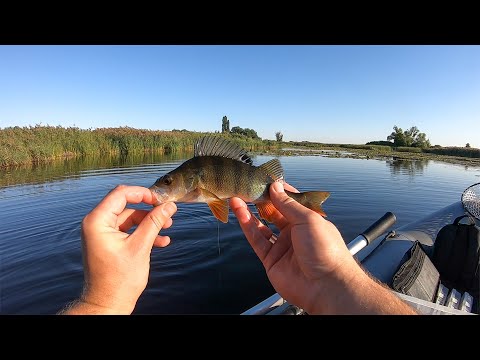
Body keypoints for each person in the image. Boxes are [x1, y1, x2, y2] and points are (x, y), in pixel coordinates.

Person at [58, 182, 417, 315]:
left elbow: (219, 203)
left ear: (187, 185)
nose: (163, 188)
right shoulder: (198, 189)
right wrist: (334, 279)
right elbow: (218, 204)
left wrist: (101, 303)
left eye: (168, 183)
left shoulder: (201, 188)